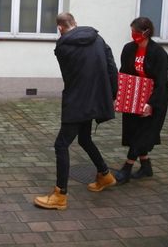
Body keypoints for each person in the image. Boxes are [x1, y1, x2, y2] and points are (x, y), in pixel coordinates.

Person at [34, 12, 118, 210]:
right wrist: (110, 95)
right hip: (97, 98)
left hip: (78, 101)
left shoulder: (63, 46)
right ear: (76, 23)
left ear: (60, 28)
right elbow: (112, 68)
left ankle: (60, 194)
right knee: (84, 139)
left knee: (61, 145)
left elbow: (70, 76)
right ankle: (105, 175)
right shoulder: (98, 38)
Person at [115, 17, 168, 184]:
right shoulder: (128, 49)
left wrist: (151, 104)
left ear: (146, 32)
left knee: (143, 134)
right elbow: (124, 74)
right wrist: (119, 97)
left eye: (137, 32)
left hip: (155, 98)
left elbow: (161, 81)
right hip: (134, 97)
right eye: (132, 31)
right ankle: (146, 166)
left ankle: (127, 168)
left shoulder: (159, 53)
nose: (133, 35)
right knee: (133, 132)